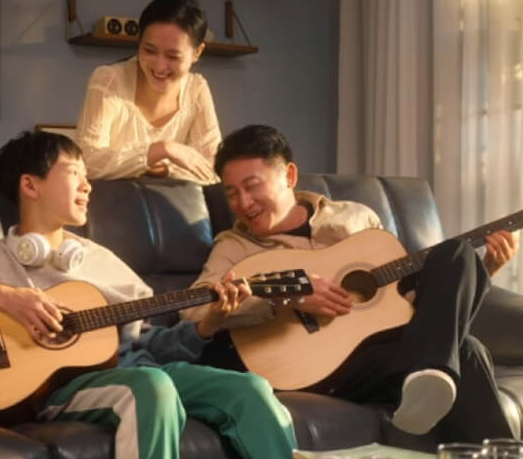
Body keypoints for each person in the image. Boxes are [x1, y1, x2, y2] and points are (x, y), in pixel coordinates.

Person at [0, 131, 308, 459]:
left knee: (250, 390)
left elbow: (152, 345)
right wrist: (6, 296)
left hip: (139, 370)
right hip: (63, 387)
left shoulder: (101, 260)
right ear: (30, 185)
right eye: (75, 174)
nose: (88, 186)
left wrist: (209, 323)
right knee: (150, 387)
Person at [181, 124, 518, 441]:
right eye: (232, 193)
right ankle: (438, 380)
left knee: (458, 252)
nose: (243, 203)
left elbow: (407, 299)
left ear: (290, 175)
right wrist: (289, 295)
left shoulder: (355, 217)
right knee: (466, 351)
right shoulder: (234, 246)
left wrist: (483, 270)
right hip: (318, 367)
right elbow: (194, 309)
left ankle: (436, 384)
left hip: (385, 348)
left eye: (252, 186)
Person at [75, 0, 221, 184]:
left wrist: (163, 168)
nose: (159, 67)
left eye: (173, 56)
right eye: (149, 51)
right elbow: (87, 162)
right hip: (110, 199)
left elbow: (212, 172)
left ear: (197, 53)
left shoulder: (196, 89)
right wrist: (164, 149)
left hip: (171, 200)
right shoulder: (108, 80)